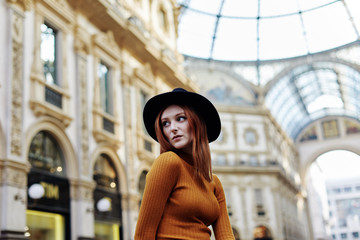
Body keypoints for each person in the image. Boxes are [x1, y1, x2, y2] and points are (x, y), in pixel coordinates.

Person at [135, 88, 235, 240]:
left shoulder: (214, 183)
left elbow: (226, 235)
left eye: (180, 118)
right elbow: (144, 234)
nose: (172, 128)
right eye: (165, 123)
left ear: (197, 122)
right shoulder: (168, 162)